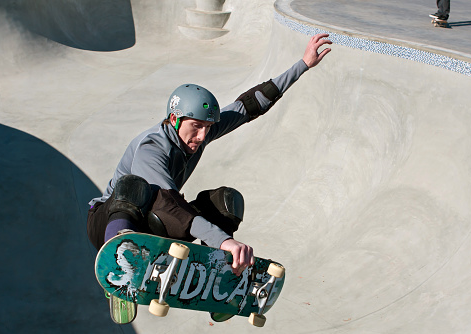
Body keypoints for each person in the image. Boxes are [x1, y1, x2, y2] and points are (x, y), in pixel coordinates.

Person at [87, 33, 332, 277]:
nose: (203, 136)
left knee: (226, 201)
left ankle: (219, 275)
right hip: (109, 222)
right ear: (174, 119)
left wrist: (303, 65)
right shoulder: (151, 147)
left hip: (154, 223)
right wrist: (223, 240)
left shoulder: (199, 133)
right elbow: (169, 203)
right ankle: (118, 258)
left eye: (208, 127)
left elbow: (248, 106)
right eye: (196, 126)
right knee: (133, 187)